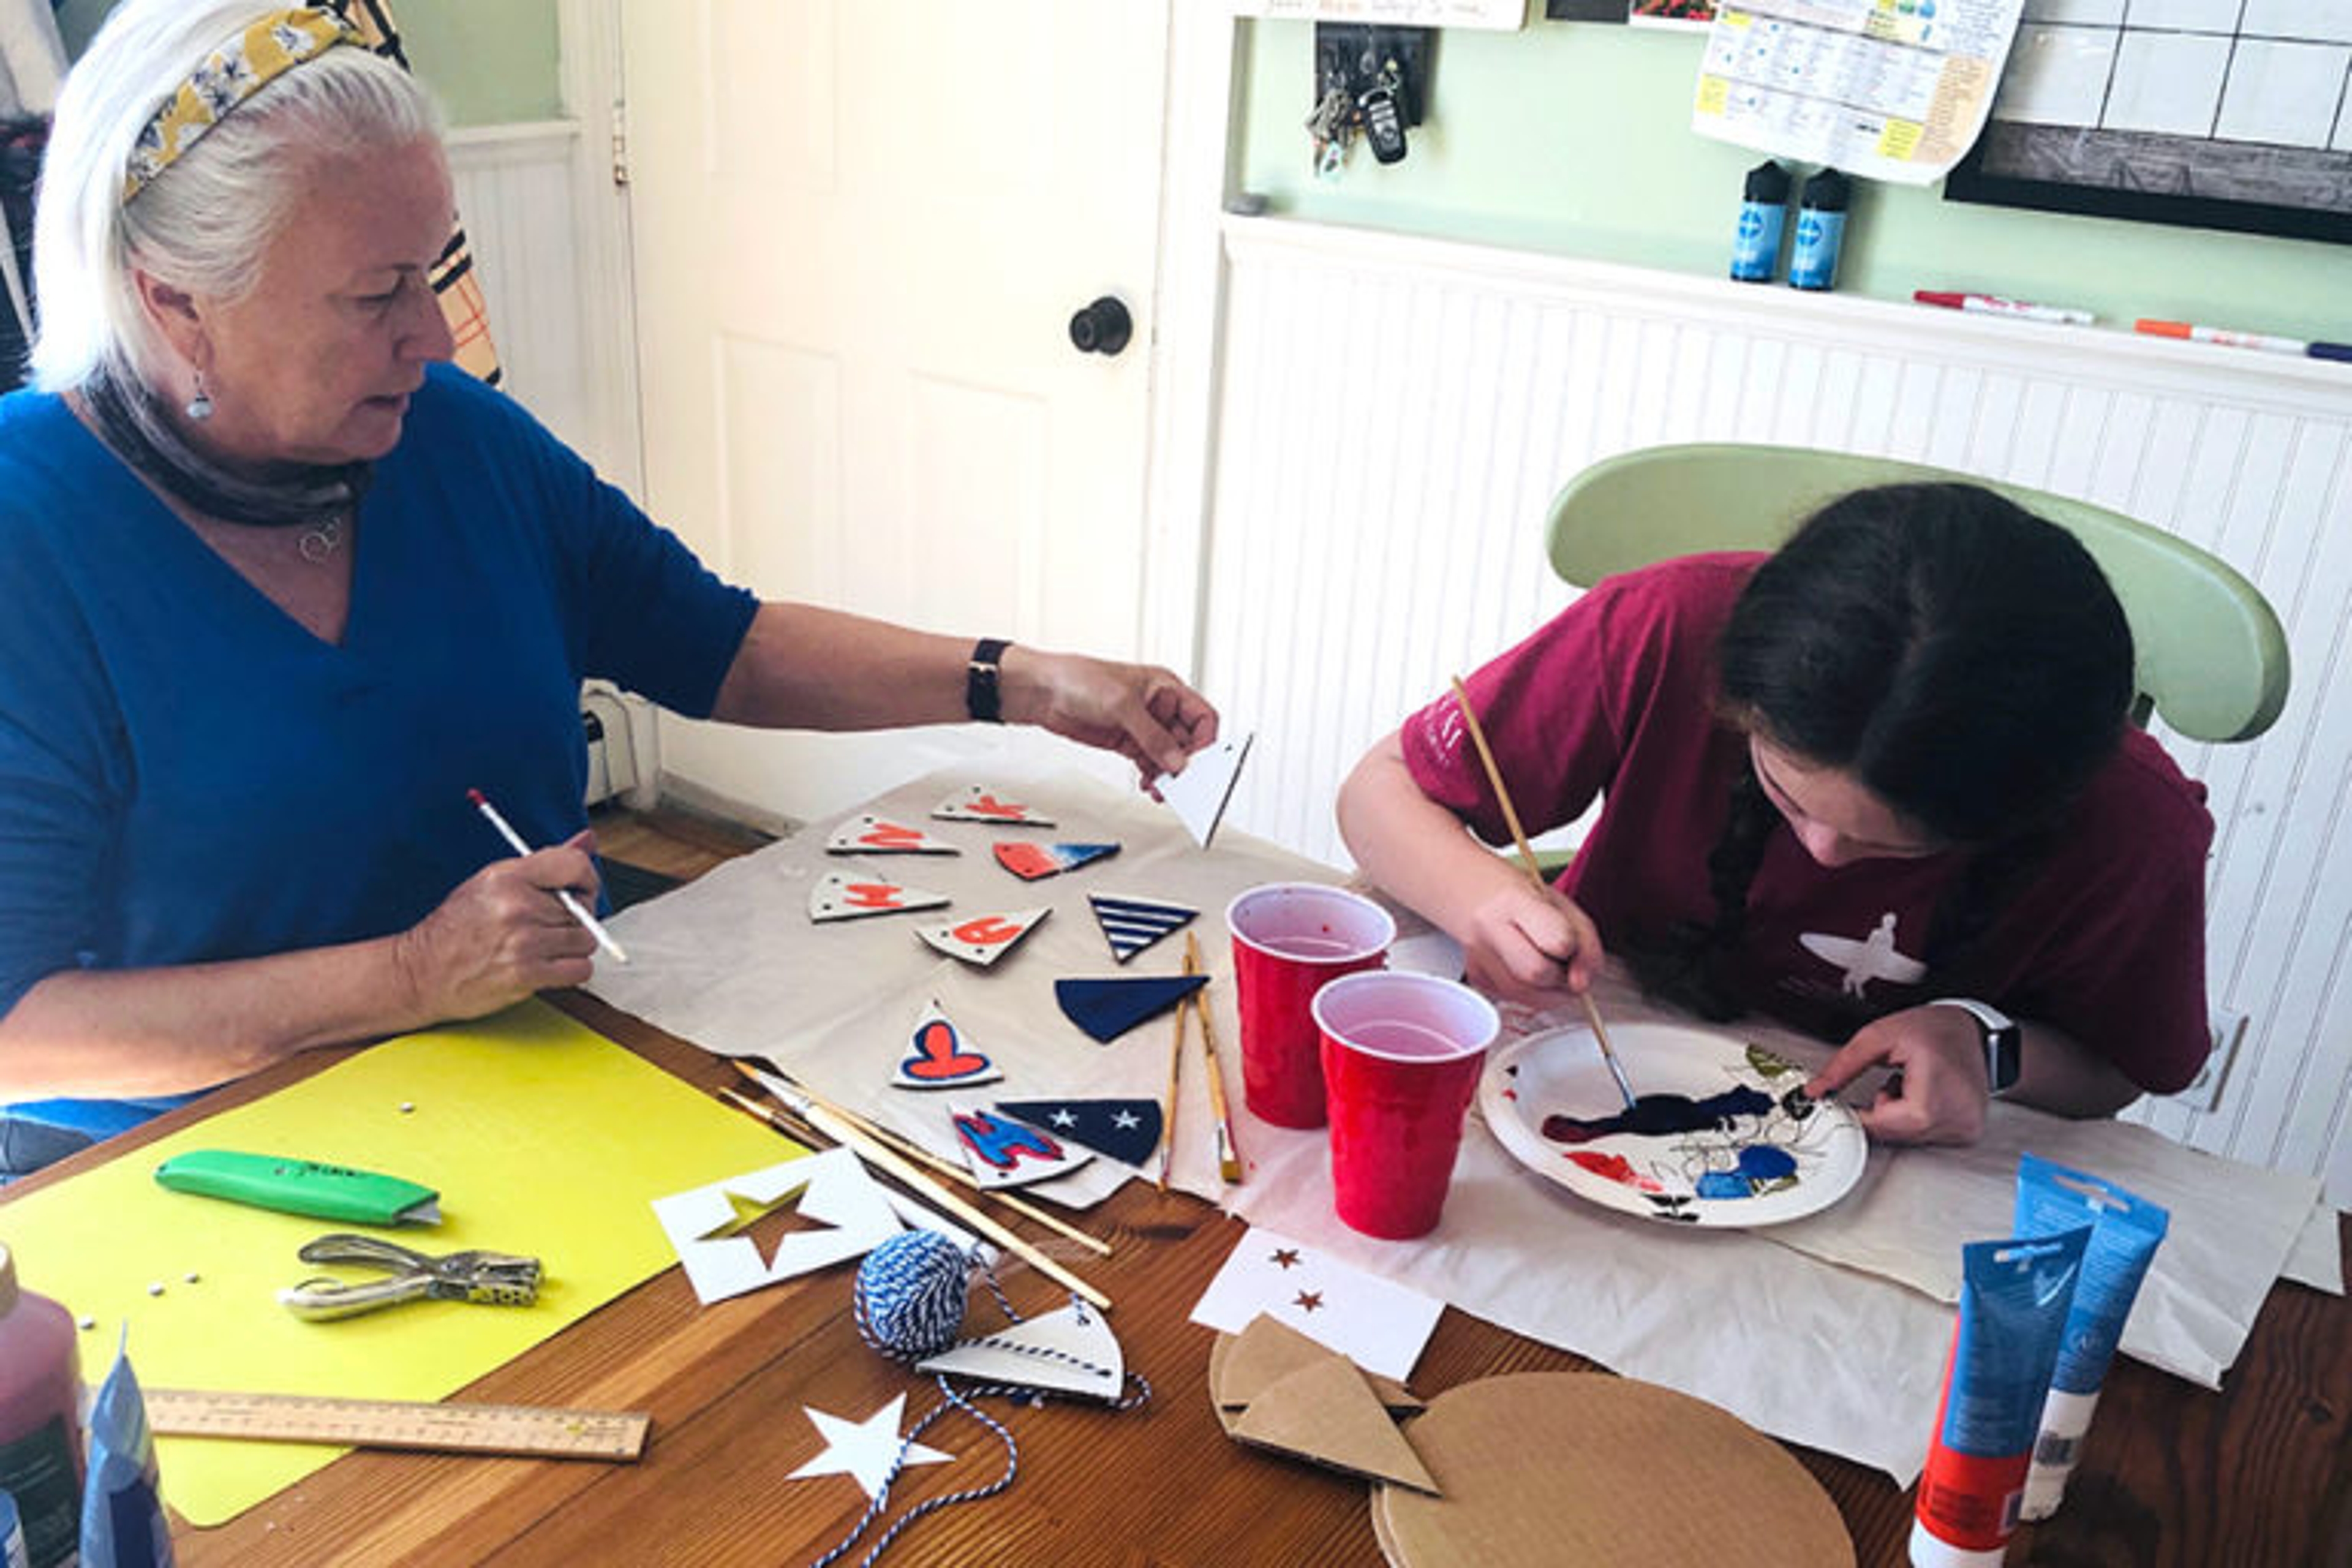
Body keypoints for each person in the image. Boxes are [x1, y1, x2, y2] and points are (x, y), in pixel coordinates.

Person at [0, 1, 1217, 1177]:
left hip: (540, 1059)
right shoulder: (28, 532)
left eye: (430, 271)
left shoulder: (456, 436)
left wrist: (1017, 678)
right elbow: (18, 1034)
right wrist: (413, 972)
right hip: (184, 1160)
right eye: (376, 294)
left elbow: (718, 644)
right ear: (174, 298)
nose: (433, 333)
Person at [1337, 481, 2214, 1146]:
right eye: (1788, 794)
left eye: (1893, 845)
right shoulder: (1671, 626)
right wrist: (1482, 899)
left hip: (1882, 1155)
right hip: (1593, 1062)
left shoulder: (2135, 824)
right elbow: (1379, 793)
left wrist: (1987, 1048)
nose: (1825, 852)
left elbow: (2119, 1070)